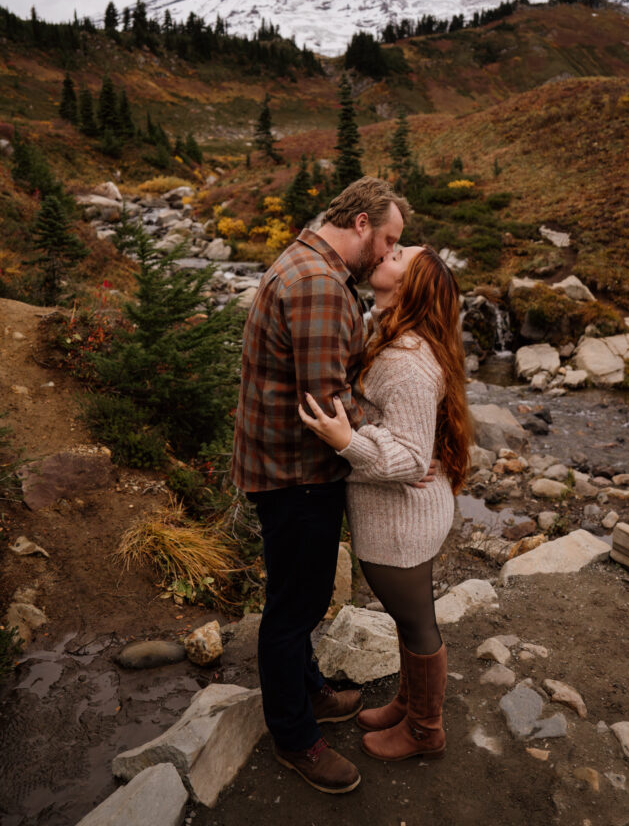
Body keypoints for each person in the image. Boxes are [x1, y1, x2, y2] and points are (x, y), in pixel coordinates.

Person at [231, 176, 411, 795]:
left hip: (279, 465)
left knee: (297, 594)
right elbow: (323, 402)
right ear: (361, 223)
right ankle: (294, 736)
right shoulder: (319, 285)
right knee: (294, 607)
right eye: (388, 242)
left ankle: (310, 691)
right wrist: (393, 448)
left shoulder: (306, 259)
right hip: (296, 475)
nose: (388, 257)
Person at [299, 245, 472, 762]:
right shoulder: (389, 334)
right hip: (404, 516)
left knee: (417, 622)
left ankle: (425, 730)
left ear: (411, 283)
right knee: (408, 618)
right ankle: (408, 701)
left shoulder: (406, 363)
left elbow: (413, 459)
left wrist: (344, 440)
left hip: (403, 524)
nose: (386, 251)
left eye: (399, 254)